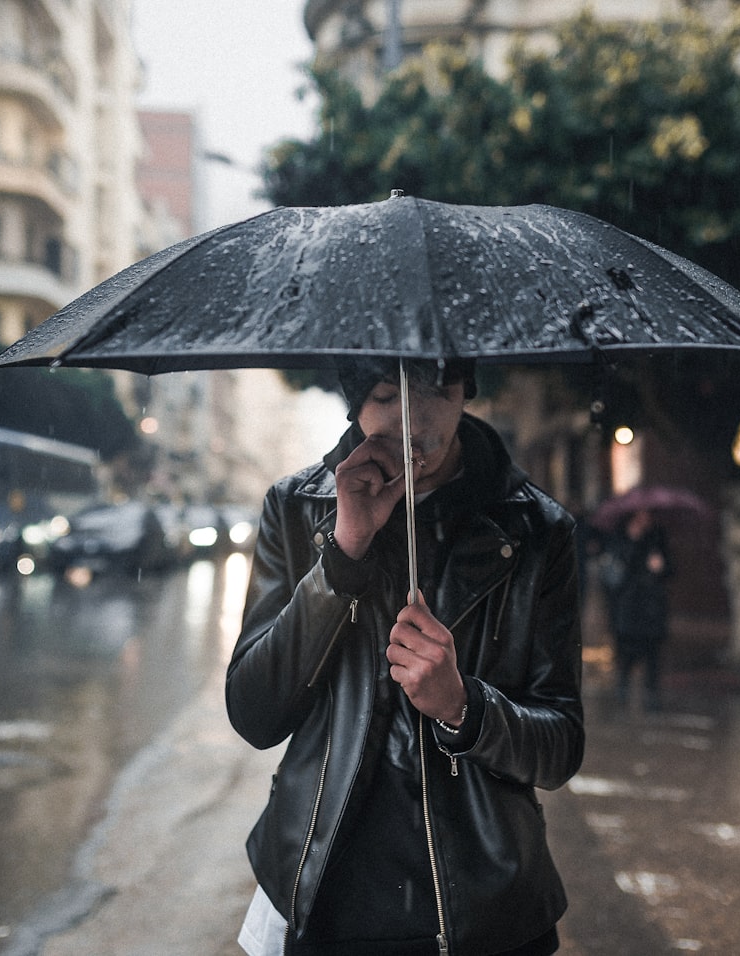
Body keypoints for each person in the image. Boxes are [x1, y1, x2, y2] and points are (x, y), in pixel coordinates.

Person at [228, 357, 584, 956]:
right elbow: (256, 714)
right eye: (384, 395)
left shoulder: (537, 531)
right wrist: (343, 555)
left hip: (486, 906)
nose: (413, 417)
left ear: (465, 389)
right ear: (354, 406)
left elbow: (560, 746)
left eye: (434, 389)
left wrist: (464, 708)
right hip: (329, 901)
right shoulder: (296, 509)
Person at [599, 509, 673, 712]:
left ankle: (651, 694)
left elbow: (671, 569)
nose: (644, 519)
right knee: (626, 650)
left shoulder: (657, 538)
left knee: (652, 653)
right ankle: (622, 688)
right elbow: (613, 571)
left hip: (652, 606)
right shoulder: (620, 538)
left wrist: (661, 567)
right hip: (627, 605)